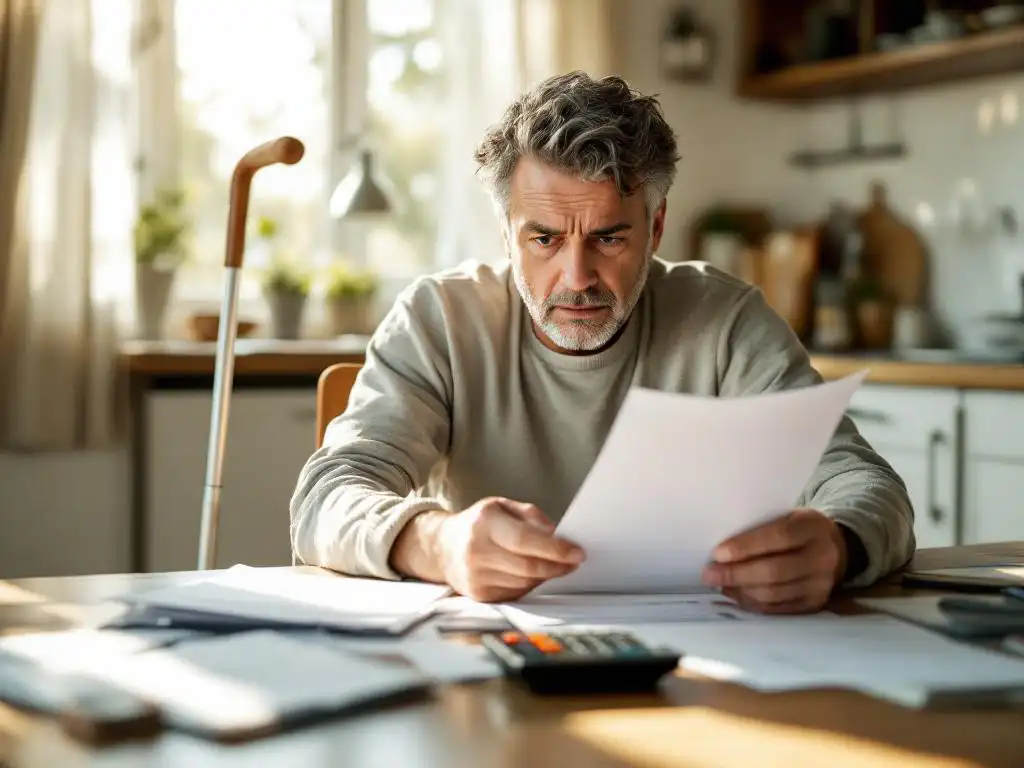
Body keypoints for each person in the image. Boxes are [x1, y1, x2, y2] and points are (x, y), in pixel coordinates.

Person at [290, 71, 915, 614]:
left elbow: (863, 481)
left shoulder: (726, 321)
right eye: (545, 240)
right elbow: (326, 496)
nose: (578, 276)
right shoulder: (439, 320)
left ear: (657, 225)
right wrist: (441, 544)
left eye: (610, 238)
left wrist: (837, 544)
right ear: (506, 232)